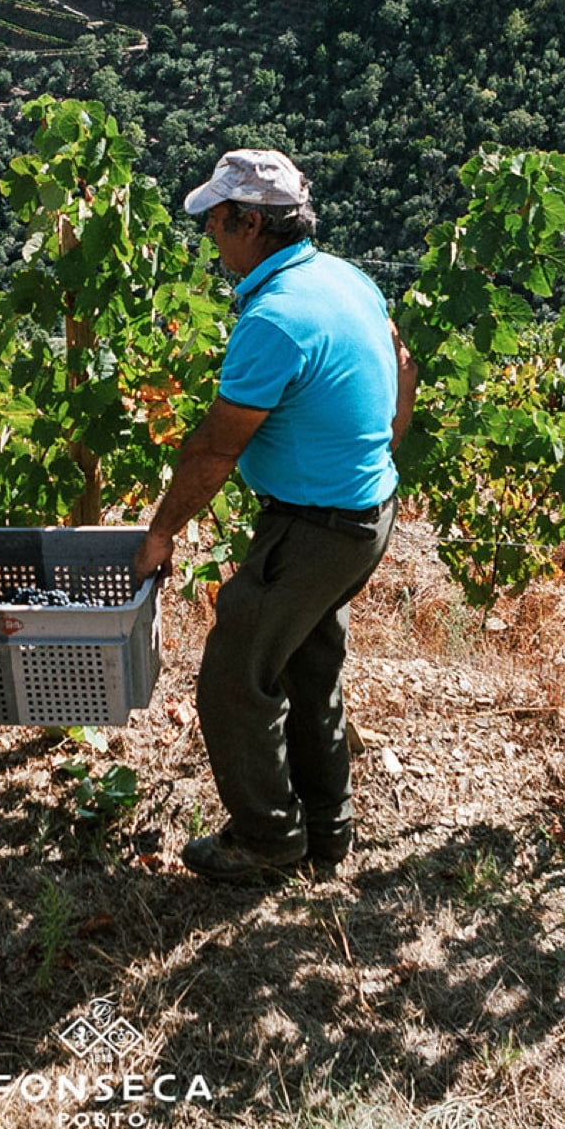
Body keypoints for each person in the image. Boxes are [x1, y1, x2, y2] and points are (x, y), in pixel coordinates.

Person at [131, 149, 414, 884]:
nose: (211, 240)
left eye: (217, 224)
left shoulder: (277, 319)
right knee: (309, 668)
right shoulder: (343, 278)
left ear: (251, 223)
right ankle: (328, 833)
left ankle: (267, 841)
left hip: (316, 528)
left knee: (233, 679)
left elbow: (215, 449)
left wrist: (160, 531)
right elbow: (401, 365)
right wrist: (380, 450)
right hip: (363, 513)